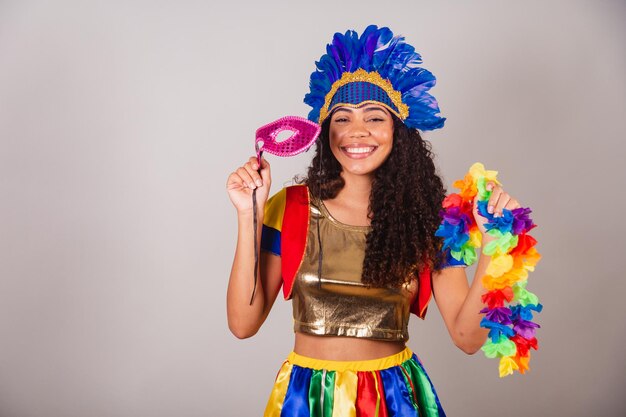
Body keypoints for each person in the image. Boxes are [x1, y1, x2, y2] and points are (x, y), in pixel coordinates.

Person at [226, 25, 521, 417]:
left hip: (393, 400)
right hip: (307, 400)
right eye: (342, 118)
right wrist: (250, 214)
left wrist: (494, 247)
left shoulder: (430, 219)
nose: (356, 132)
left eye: (374, 118)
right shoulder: (292, 207)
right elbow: (243, 325)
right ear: (325, 128)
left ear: (398, 129)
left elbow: (468, 337)